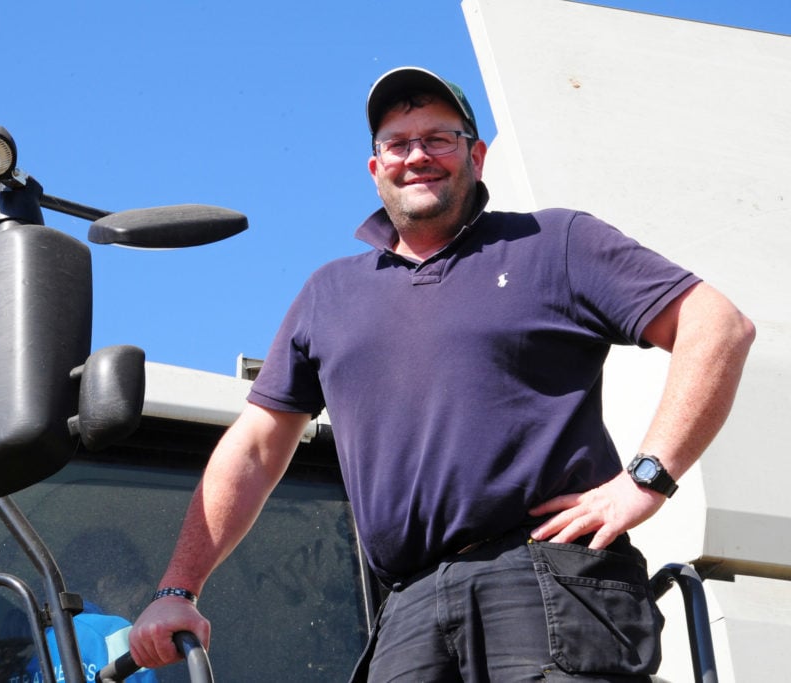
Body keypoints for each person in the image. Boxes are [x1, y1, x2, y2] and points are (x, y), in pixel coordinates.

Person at [126, 66, 755, 681]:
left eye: (438, 138)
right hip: (405, 612)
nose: (417, 156)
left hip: (546, 583)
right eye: (398, 144)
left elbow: (716, 326)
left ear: (476, 155)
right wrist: (179, 586)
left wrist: (646, 479)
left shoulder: (555, 242)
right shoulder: (329, 294)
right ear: (376, 169)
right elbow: (256, 448)